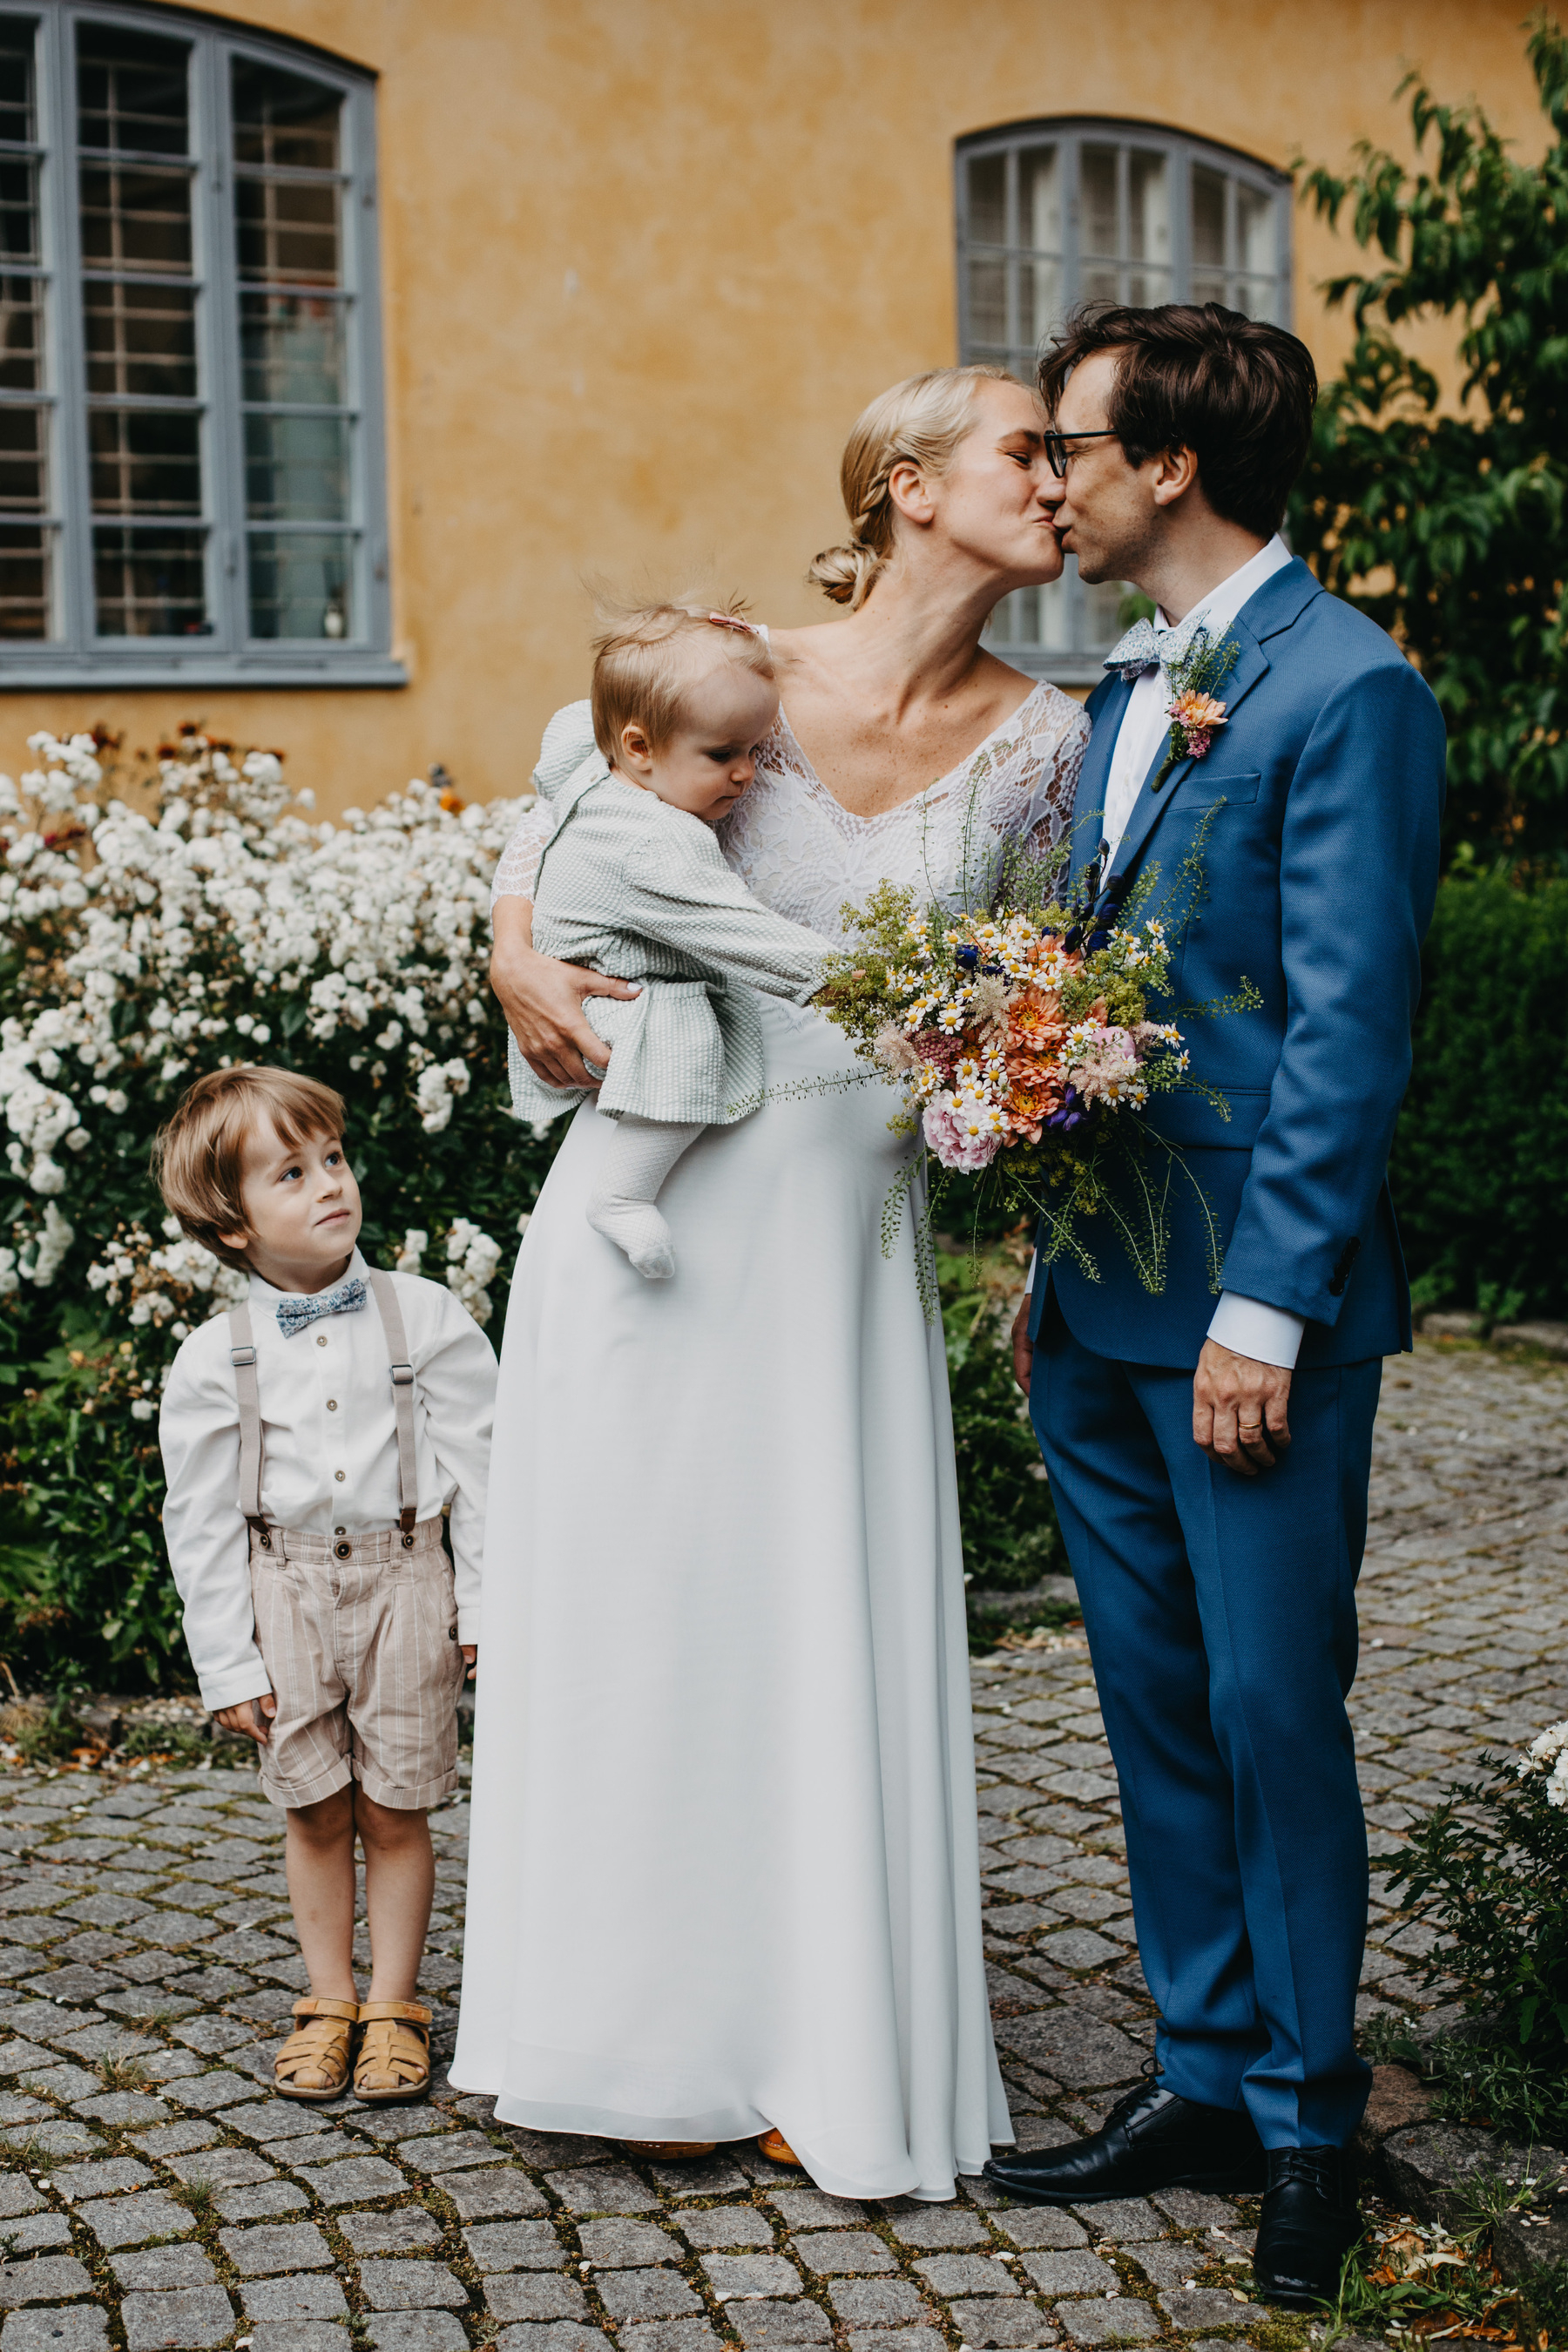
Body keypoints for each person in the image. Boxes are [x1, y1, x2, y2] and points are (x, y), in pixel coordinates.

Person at [452, 363, 1087, 2198]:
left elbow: (1030, 994)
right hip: (654, 1218)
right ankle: (626, 2041)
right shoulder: (722, 668)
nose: (1064, 484)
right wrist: (514, 954)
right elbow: (546, 847)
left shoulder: (1052, 742)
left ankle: (823, 2037)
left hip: (845, 1236)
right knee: (645, 1613)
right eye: (1028, 453)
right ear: (906, 483)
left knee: (815, 1615)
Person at [984, 305, 1445, 2303]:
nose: (1052, 480)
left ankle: (1311, 2112)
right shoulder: (1127, 686)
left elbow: (1348, 1032)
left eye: (1072, 446)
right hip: (1099, 1303)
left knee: (1271, 1711)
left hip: (1252, 1322)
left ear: (1169, 462)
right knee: (1155, 1706)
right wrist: (1042, 1258)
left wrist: (1266, 1306)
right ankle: (1199, 2068)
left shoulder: (1349, 689)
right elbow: (1103, 1000)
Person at [156, 1065, 497, 2106]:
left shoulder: (426, 1316)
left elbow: (487, 1471)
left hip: (408, 1578)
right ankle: (329, 1996)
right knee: (314, 1809)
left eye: (333, 1160)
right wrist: (226, 1659)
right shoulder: (216, 1359)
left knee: (398, 1804)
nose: (328, 1186)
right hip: (285, 1586)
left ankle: (396, 2004)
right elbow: (203, 1519)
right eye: (290, 1174)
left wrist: (484, 1605)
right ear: (232, 1225)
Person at [511, 604, 828, 1279]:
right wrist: (877, 981)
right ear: (639, 747)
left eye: (754, 749)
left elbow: (575, 719)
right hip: (602, 1007)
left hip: (599, 979)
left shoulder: (595, 763)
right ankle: (622, 1194)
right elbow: (746, 936)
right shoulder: (653, 843)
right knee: (690, 1032)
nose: (747, 773)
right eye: (722, 754)